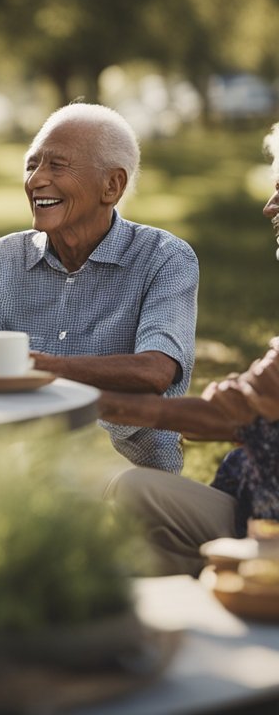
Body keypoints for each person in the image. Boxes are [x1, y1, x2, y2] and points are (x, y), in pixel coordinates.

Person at [0, 102, 199, 473]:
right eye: (32, 164)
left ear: (112, 185)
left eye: (56, 166)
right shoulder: (0, 259)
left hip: (125, 468)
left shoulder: (164, 258)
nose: (36, 180)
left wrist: (30, 366)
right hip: (19, 460)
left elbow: (155, 371)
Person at [101, 122, 279, 575]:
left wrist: (99, 403)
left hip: (268, 531)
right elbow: (241, 408)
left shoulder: (165, 257)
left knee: (130, 496)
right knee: (140, 494)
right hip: (252, 506)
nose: (269, 206)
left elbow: (229, 412)